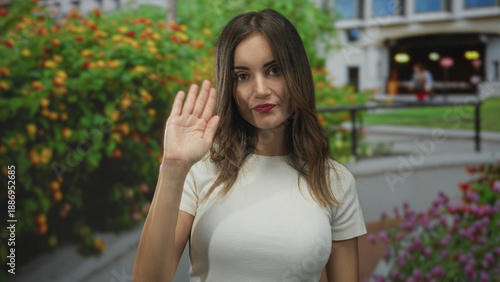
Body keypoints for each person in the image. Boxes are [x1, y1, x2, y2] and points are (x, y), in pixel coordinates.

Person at [133, 9, 366, 281]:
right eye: (242, 76)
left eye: (274, 70)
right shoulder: (198, 171)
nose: (260, 89)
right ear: (229, 87)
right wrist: (173, 167)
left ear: (297, 73)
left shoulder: (334, 181)